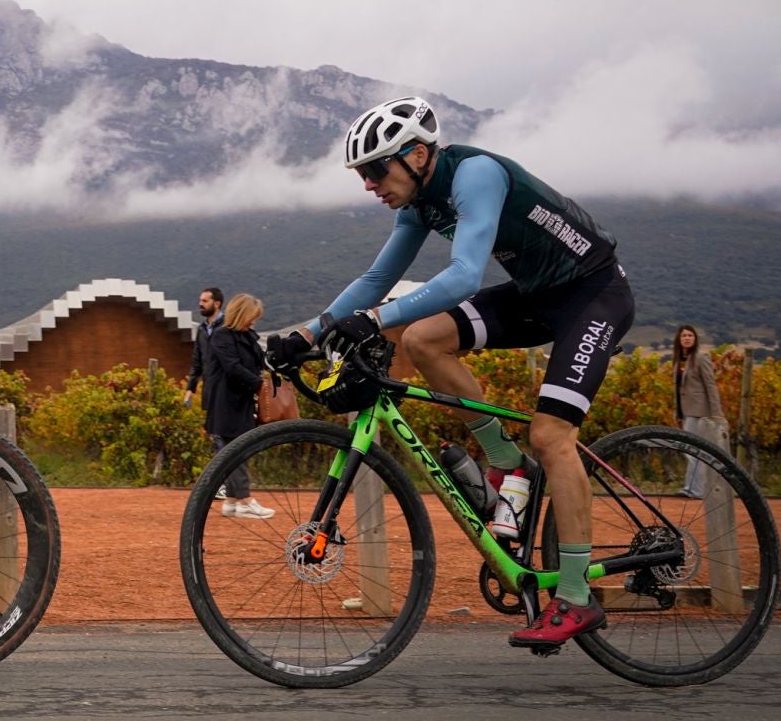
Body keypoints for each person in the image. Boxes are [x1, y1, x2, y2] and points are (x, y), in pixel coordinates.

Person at [267, 96, 633, 648]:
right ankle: (510, 466)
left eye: (375, 169)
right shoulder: (417, 204)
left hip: (593, 295)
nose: (369, 185)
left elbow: (464, 277)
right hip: (535, 296)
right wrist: (309, 333)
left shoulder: (476, 174)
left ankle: (577, 598)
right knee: (423, 339)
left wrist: (373, 321)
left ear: (417, 155)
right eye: (363, 174)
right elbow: (375, 279)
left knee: (553, 435)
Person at [208, 293, 274, 520]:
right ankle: (245, 500)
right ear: (241, 314)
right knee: (236, 450)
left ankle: (231, 502)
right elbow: (232, 367)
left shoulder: (249, 337)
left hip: (242, 402)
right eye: (251, 316)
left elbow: (261, 361)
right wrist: (259, 384)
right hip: (226, 403)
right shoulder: (221, 336)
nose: (254, 321)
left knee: (236, 450)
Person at [673, 325, 729, 497]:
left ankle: (695, 489)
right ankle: (693, 487)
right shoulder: (679, 360)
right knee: (691, 451)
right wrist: (678, 413)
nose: (687, 338)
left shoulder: (701, 357)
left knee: (694, 451)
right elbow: (678, 389)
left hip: (700, 411)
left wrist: (716, 412)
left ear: (695, 338)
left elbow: (710, 385)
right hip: (687, 411)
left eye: (690, 335)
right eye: (684, 336)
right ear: (679, 339)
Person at [181, 286, 224, 418]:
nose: (200, 304)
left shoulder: (228, 327)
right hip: (209, 391)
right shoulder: (202, 330)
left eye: (205, 301)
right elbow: (197, 363)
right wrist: (190, 390)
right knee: (214, 434)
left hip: (226, 392)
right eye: (200, 301)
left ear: (217, 304)